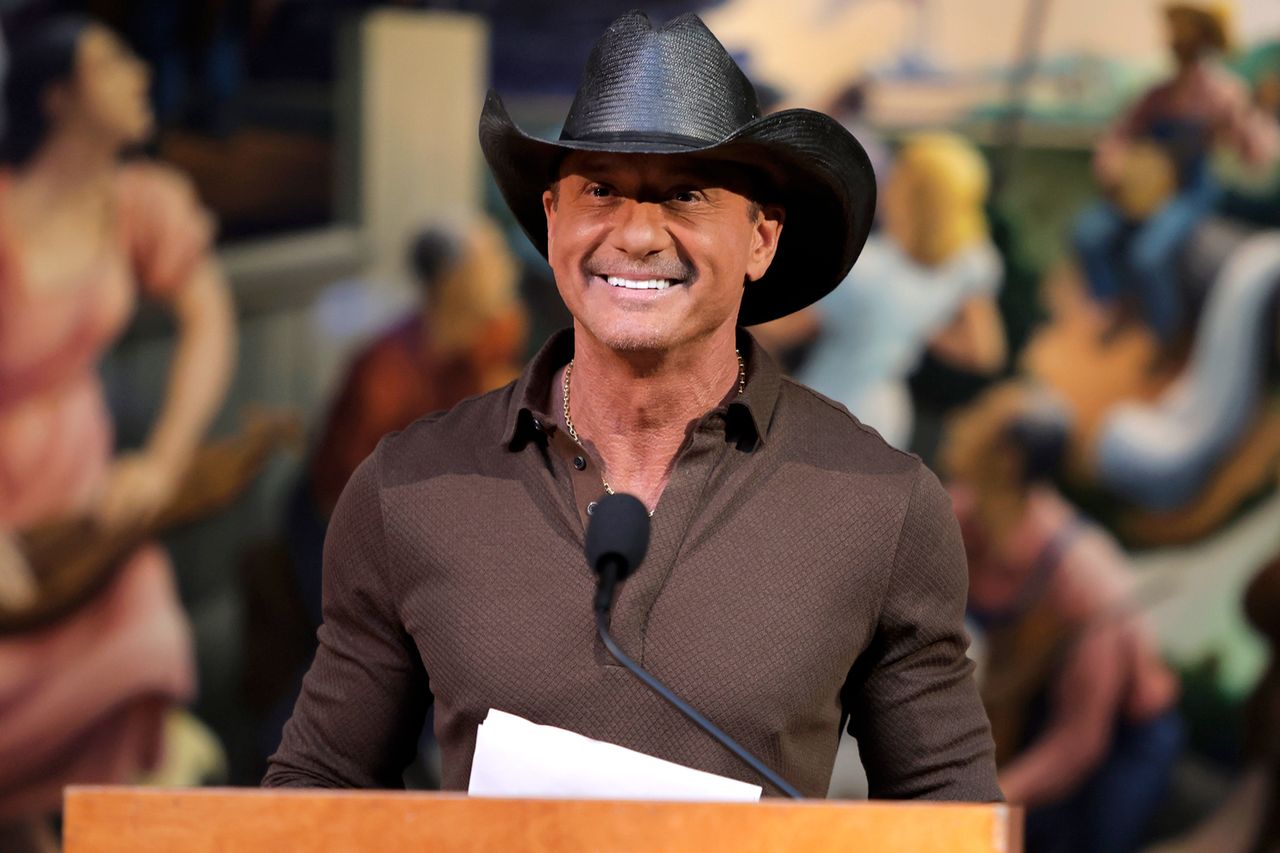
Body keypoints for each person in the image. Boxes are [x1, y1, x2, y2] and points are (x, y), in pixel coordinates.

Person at [265, 11, 999, 800]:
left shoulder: (884, 505)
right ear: (552, 223)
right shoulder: (406, 487)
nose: (638, 233)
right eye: (602, 189)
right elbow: (318, 787)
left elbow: (948, 815)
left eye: (686, 194)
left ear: (761, 239)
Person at [0, 13, 235, 842]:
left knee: (144, 645)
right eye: (111, 62)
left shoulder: (139, 201)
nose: (140, 74)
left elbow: (210, 318)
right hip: (7, 508)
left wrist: (163, 462)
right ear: (57, 94)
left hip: (92, 491)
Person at [942, 385, 1182, 853]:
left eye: (984, 425)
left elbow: (1078, 741)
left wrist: (977, 805)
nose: (962, 429)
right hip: (1028, 699)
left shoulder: (1085, 582)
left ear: (1009, 459)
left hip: (1118, 738)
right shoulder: (964, 515)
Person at [1073, 1, 1278, 348]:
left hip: (1190, 190)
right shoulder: (1158, 94)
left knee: (1150, 254)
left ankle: (1166, 333)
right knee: (1089, 233)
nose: (1174, 41)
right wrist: (1113, 162)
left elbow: (1257, 151)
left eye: (1184, 33)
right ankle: (1116, 305)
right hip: (1144, 192)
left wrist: (1241, 131)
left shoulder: (1223, 94)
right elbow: (1120, 134)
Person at [797, 133, 1006, 449]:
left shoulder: (867, 269)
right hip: (887, 407)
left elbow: (789, 329)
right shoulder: (967, 261)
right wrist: (915, 326)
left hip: (828, 399)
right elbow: (984, 351)